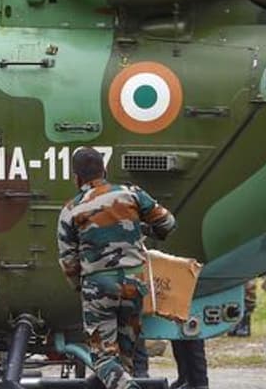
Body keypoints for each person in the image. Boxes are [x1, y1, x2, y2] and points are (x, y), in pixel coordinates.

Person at [56, 147, 176, 389]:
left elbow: (69, 261)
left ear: (76, 177)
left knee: (103, 359)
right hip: (134, 283)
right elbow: (167, 223)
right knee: (124, 360)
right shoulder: (131, 193)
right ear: (105, 170)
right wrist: (144, 231)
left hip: (98, 286)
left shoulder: (71, 210)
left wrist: (82, 287)